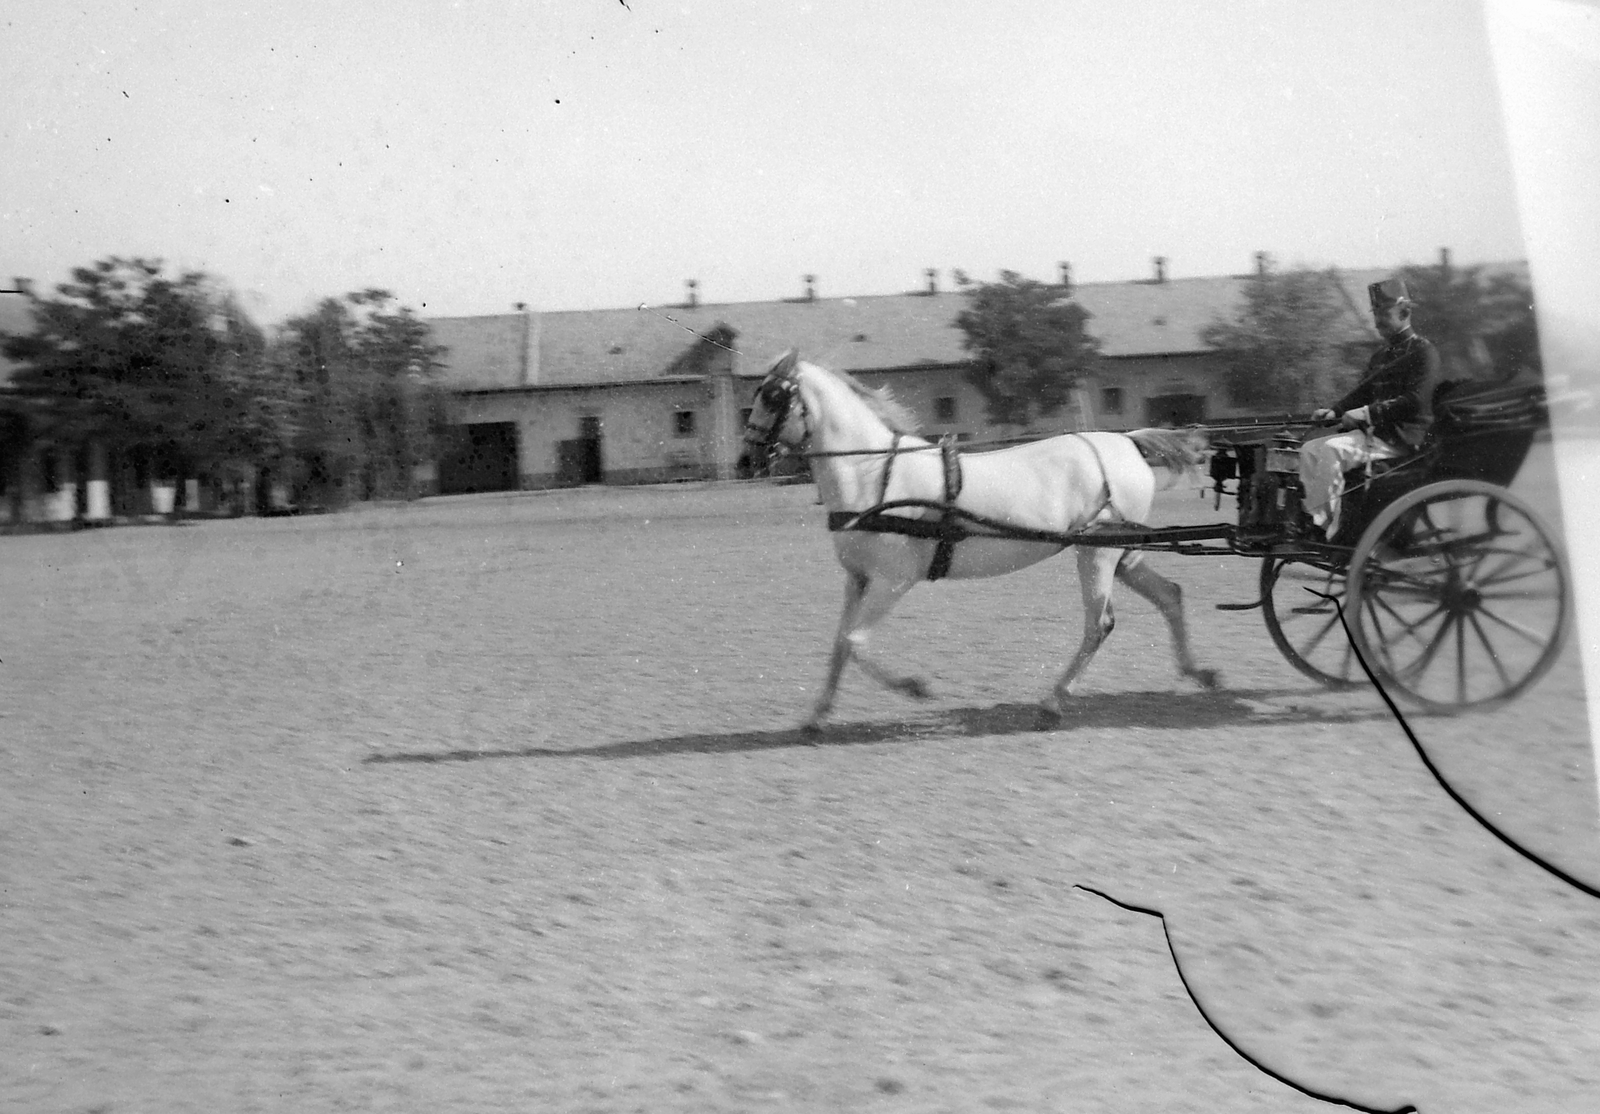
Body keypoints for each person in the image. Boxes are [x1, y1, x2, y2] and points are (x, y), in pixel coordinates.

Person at [1298, 278, 1442, 540]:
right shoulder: (1381, 356)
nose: (1377, 321)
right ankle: (1319, 519)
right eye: (1375, 314)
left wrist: (1366, 414)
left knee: (1331, 451)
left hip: (1402, 439)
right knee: (1309, 450)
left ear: (1405, 312)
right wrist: (1334, 411)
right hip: (1373, 437)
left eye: (1383, 314)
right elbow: (1362, 392)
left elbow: (1415, 401)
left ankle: (1325, 527)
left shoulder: (1424, 352)